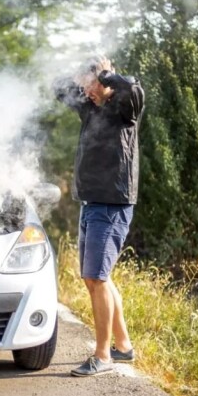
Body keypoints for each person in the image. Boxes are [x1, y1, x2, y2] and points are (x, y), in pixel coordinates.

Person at [53, 54, 145, 377]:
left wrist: (106, 75)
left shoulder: (124, 107)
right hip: (91, 202)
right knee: (95, 278)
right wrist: (79, 72)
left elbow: (133, 87)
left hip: (112, 204)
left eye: (90, 86)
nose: (86, 93)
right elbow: (57, 87)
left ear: (104, 81)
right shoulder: (90, 107)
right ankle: (123, 346)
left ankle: (103, 354)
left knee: (97, 277)